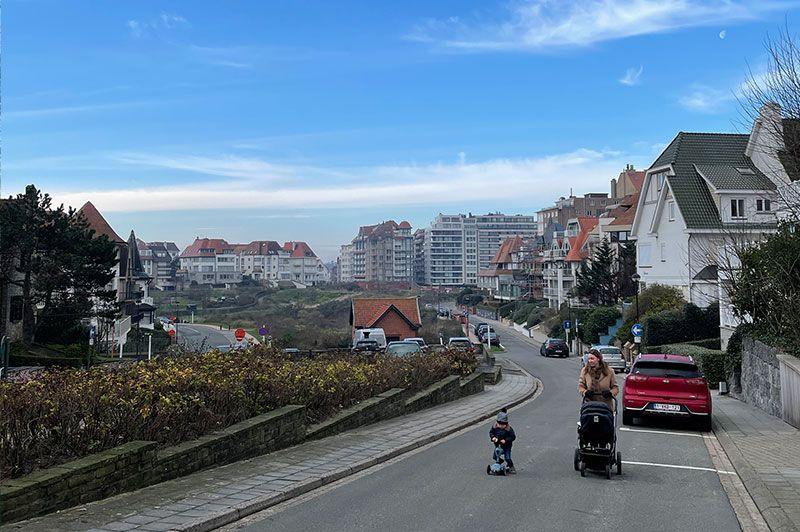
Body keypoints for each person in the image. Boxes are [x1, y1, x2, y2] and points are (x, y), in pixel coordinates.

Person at [489, 408, 516, 474]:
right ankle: (499, 462)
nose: (501, 426)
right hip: (498, 444)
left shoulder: (508, 429)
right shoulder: (495, 427)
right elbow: (491, 433)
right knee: (495, 456)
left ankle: (511, 467)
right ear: (497, 423)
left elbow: (513, 437)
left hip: (507, 446)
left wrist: (506, 440)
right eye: (499, 424)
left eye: (503, 425)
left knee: (508, 458)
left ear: (506, 424)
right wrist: (493, 437)